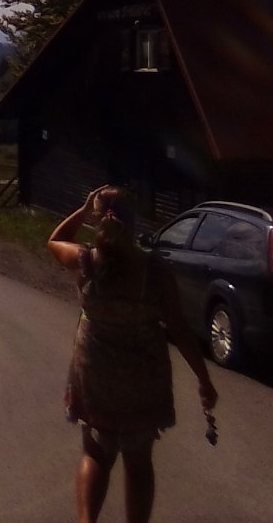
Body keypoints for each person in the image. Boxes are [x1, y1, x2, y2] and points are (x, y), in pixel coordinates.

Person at [47, 185, 217, 523]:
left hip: (95, 374)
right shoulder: (155, 271)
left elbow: (55, 240)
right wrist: (203, 380)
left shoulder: (86, 261)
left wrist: (84, 210)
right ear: (134, 221)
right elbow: (179, 328)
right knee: (139, 462)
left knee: (96, 452)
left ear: (100, 220)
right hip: (143, 378)